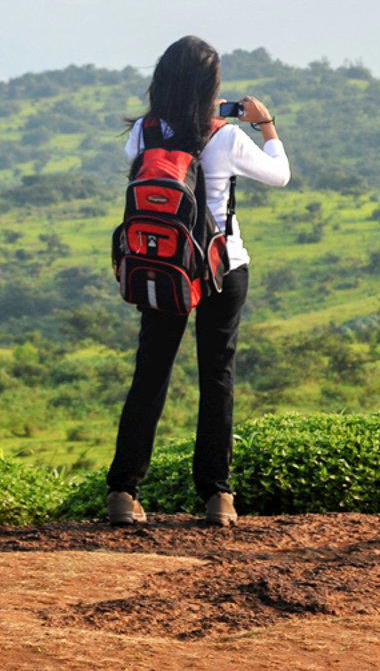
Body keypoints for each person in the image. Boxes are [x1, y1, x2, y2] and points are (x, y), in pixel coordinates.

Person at [106, 35, 291, 527]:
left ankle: (124, 491)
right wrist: (266, 124)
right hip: (220, 266)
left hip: (163, 264)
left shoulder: (143, 133)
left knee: (150, 373)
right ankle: (217, 496)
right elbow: (280, 174)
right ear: (211, 86)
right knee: (217, 377)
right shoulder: (224, 136)